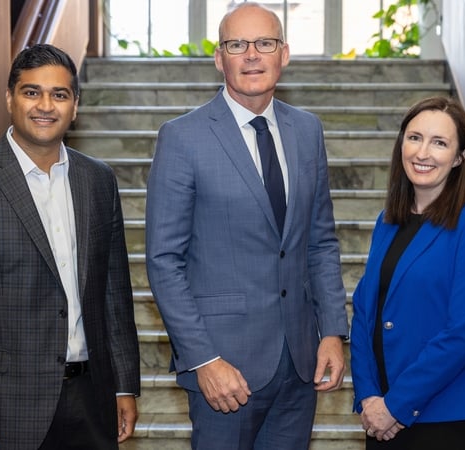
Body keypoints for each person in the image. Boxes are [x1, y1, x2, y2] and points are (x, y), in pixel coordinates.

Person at [145, 2, 349, 449]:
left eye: (265, 43)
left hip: (299, 364)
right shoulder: (183, 137)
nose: (252, 55)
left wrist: (332, 332)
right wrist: (203, 359)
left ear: (284, 54)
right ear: (220, 58)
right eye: (237, 44)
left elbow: (320, 241)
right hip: (224, 370)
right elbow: (163, 261)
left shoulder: (307, 131)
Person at [0, 44, 140, 450]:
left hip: (92, 399)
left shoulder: (98, 181)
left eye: (59, 94)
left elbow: (114, 294)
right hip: (4, 408)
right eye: (31, 92)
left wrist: (124, 385)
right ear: (10, 99)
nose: (46, 105)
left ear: (75, 105)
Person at [349, 96, 465, 449]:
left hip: (443, 415)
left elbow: (464, 331)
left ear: (459, 158)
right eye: (415, 137)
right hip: (379, 414)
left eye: (440, 143)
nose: (423, 153)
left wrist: (397, 405)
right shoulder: (387, 222)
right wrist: (369, 396)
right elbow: (364, 312)